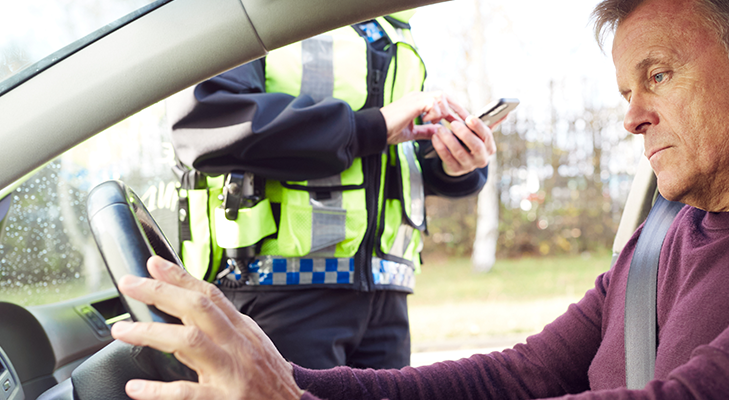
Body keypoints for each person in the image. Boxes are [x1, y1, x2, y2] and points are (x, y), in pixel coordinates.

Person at [114, 0, 729, 398]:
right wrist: (287, 376)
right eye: (625, 91)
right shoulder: (664, 239)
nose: (632, 118)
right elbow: (519, 376)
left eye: (658, 75)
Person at [167, 9, 500, 370]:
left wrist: (453, 165)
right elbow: (205, 122)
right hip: (275, 294)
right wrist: (369, 128)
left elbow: (396, 156)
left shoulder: (393, 24)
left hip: (387, 299)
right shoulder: (253, 10)